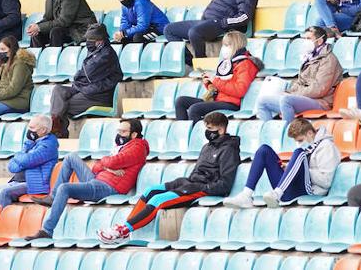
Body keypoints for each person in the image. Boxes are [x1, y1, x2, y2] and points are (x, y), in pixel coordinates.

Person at [97, 111, 239, 245]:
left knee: (158, 200)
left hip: (203, 187)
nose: (207, 132)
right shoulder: (206, 147)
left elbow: (225, 184)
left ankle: (124, 230)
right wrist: (188, 183)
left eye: (210, 128)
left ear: (221, 130)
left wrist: (204, 188)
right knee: (151, 191)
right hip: (191, 182)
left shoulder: (229, 150)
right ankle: (124, 231)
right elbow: (197, 171)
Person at [25, 119, 150, 240]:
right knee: (70, 157)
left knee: (65, 188)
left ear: (134, 134)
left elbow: (111, 161)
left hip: (108, 187)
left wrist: (107, 164)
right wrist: (108, 168)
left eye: (123, 132)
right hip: (98, 180)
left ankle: (47, 230)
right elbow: (97, 167)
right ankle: (53, 197)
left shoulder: (137, 147)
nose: (119, 135)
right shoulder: (122, 147)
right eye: (118, 131)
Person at [225, 118, 339, 208]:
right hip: (290, 189)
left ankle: (277, 194)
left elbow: (326, 181)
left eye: (300, 140)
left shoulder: (326, 146)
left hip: (310, 191)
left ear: (310, 133)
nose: (299, 144)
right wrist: (292, 169)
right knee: (264, 150)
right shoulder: (309, 146)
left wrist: (302, 170)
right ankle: (246, 195)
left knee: (299, 152)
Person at [257, 25, 343, 122]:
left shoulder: (329, 59)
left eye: (309, 38)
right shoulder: (309, 57)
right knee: (262, 101)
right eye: (304, 38)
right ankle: (269, 134)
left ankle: (288, 134)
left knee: (286, 100)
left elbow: (320, 89)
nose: (305, 42)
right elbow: (300, 81)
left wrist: (294, 94)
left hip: (321, 102)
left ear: (320, 41)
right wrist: (289, 92)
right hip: (305, 98)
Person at [175, 31, 261, 123]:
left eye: (227, 45)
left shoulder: (245, 64)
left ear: (236, 46)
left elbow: (240, 90)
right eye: (223, 45)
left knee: (195, 109)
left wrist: (215, 80)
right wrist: (208, 83)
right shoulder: (227, 62)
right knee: (180, 101)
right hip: (219, 99)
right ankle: (185, 132)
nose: (223, 48)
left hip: (231, 103)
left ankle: (197, 135)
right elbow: (220, 86)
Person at [50, 24, 123, 134]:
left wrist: (80, 76)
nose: (88, 41)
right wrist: (80, 76)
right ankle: (56, 126)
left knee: (62, 105)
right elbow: (82, 74)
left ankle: (58, 131)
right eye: (87, 39)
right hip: (85, 88)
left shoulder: (106, 54)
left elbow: (89, 73)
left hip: (99, 95)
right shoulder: (95, 51)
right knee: (58, 90)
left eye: (91, 39)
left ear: (100, 40)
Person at [28, 0, 96, 48]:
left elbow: (64, 21)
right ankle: (36, 58)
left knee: (56, 31)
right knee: (36, 33)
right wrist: (36, 26)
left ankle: (53, 57)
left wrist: (40, 27)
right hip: (68, 29)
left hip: (80, 30)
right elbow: (47, 18)